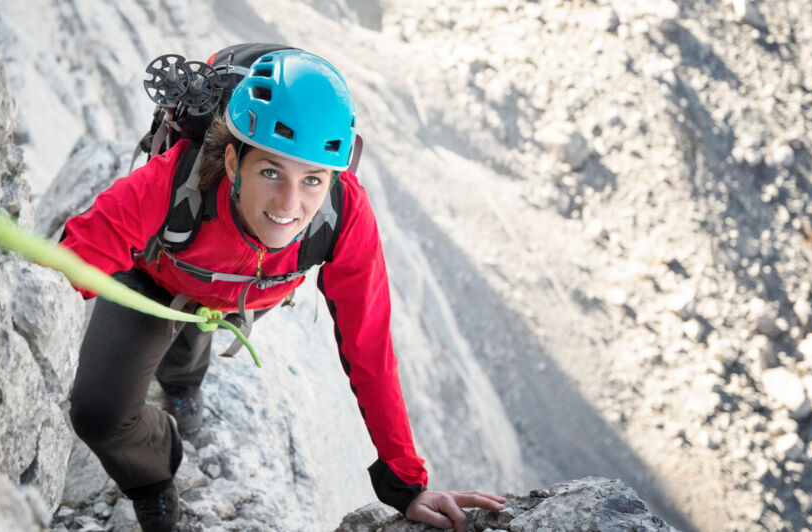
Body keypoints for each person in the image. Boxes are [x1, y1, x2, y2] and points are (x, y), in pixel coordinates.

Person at [60, 48, 505, 532]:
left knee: (187, 355)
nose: (290, 206)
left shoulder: (344, 215)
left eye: (312, 180)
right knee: (100, 414)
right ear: (232, 162)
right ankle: (152, 476)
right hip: (155, 280)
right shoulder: (171, 183)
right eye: (271, 172)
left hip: (246, 290)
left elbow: (369, 347)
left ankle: (183, 385)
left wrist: (408, 485)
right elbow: (69, 263)